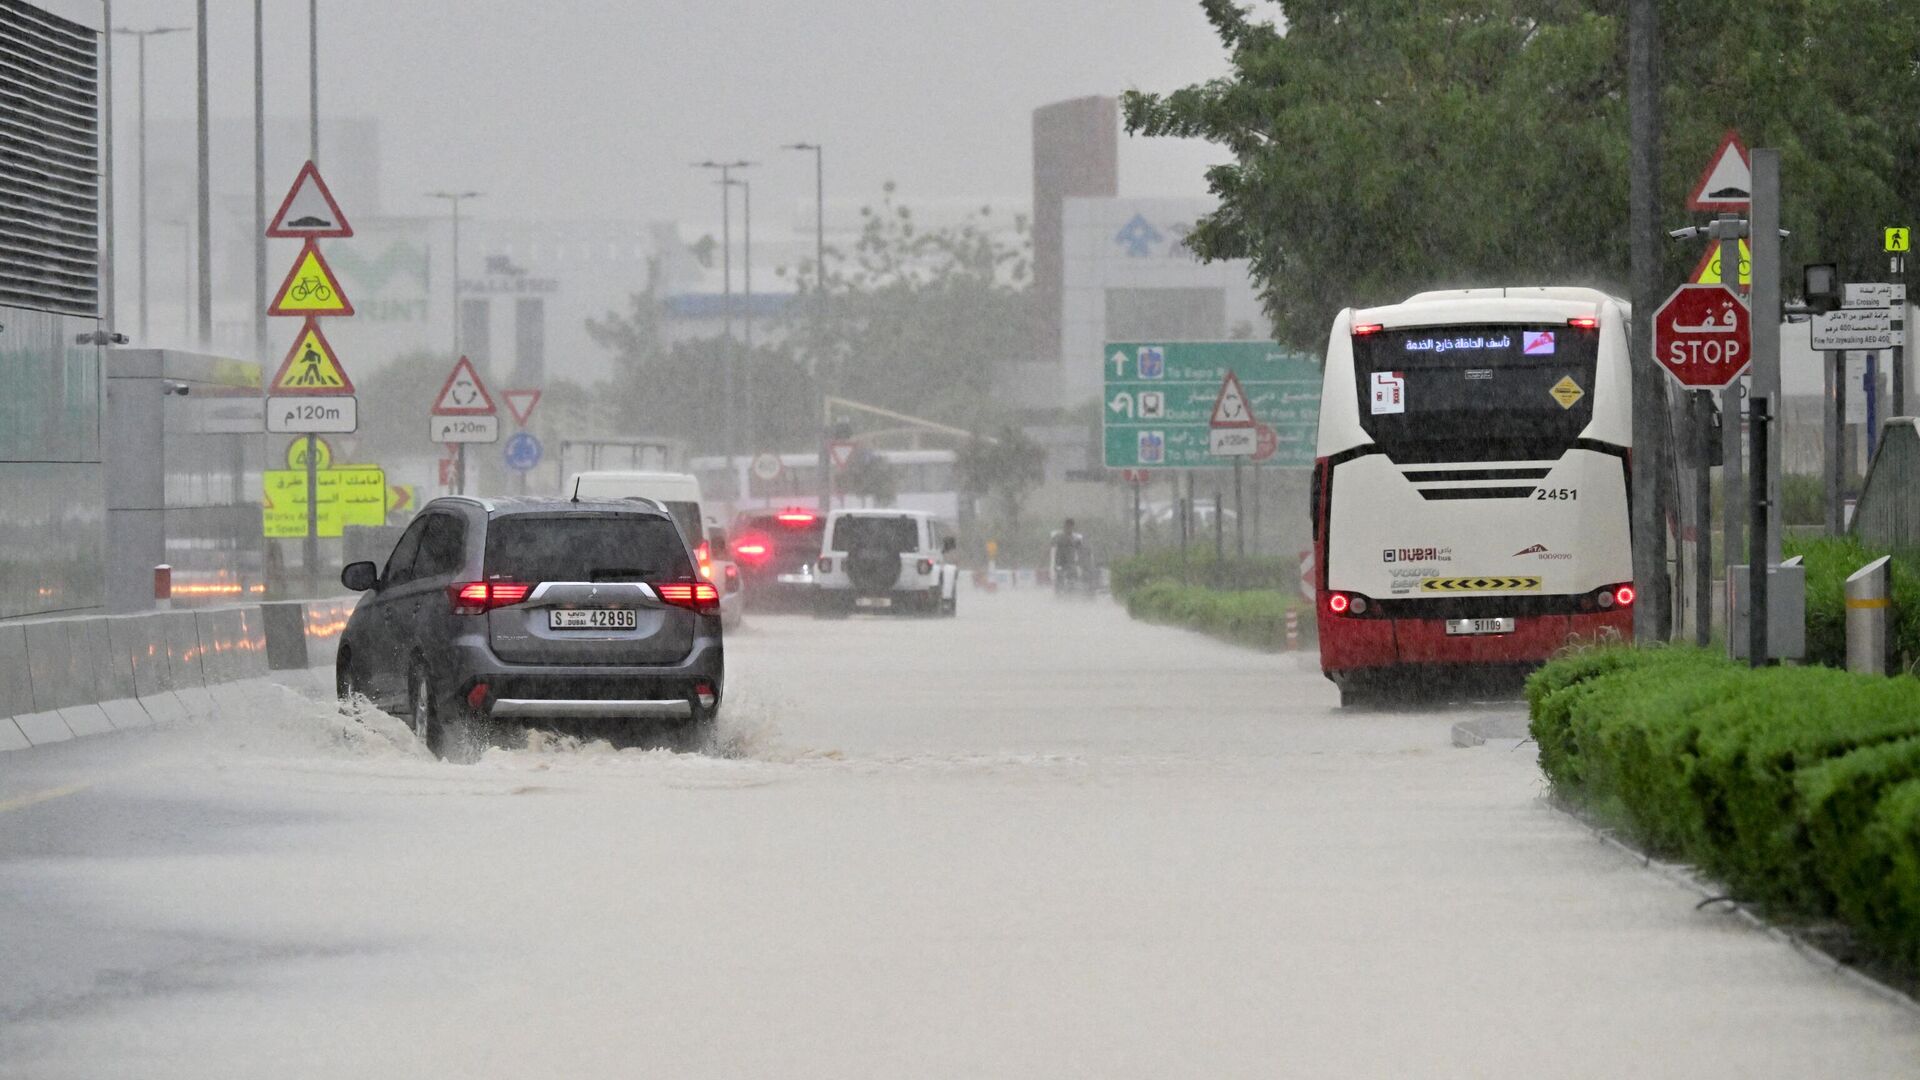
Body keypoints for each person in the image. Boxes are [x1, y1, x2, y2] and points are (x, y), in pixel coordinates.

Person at [1049, 518, 1087, 586]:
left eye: (1070, 526)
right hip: (1059, 562)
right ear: (1064, 526)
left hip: (1071, 563)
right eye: (1066, 526)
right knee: (1059, 580)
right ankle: (1059, 594)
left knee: (1072, 580)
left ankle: (1070, 594)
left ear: (1073, 527)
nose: (1068, 528)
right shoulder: (1058, 536)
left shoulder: (1076, 538)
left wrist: (1081, 562)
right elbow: (1049, 547)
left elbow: (1081, 550)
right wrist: (1041, 561)